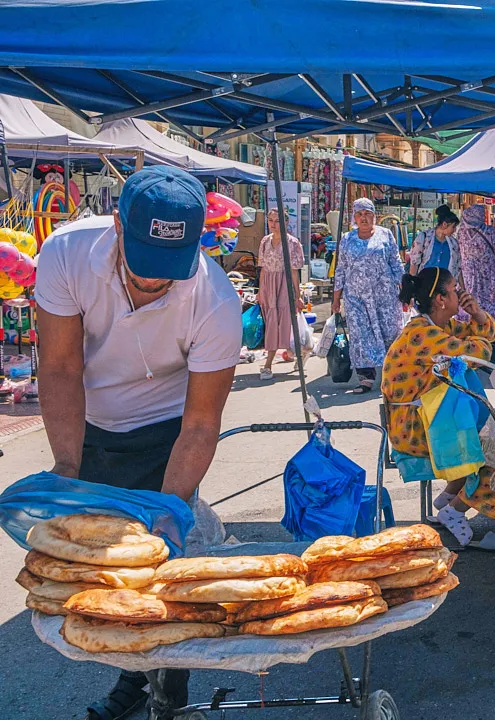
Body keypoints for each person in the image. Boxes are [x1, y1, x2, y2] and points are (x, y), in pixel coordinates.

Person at [35, 166, 242, 719]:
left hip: (167, 433)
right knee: (103, 571)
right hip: (88, 424)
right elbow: (59, 367)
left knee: (164, 571)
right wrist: (67, 466)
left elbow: (201, 424)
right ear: (117, 227)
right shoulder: (67, 253)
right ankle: (130, 674)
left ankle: (166, 695)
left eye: (168, 269)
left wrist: (169, 508)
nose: (153, 281)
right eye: (144, 262)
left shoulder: (215, 301)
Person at [382, 267, 495, 545]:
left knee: (485, 432)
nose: (461, 294)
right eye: (455, 289)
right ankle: (455, 509)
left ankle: (450, 495)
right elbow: (478, 353)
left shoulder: (438, 327)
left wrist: (477, 314)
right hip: (414, 428)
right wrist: (473, 337)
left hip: (426, 417)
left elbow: (488, 335)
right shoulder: (421, 335)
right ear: (441, 299)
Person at [332, 198, 405, 393]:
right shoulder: (347, 239)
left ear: (374, 215)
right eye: (359, 214)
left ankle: (393, 373)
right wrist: (336, 298)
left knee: (390, 332)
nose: (363, 218)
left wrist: (405, 290)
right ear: (354, 218)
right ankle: (366, 378)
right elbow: (341, 269)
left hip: (385, 297)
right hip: (356, 298)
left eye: (367, 214)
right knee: (360, 336)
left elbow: (395, 262)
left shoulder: (385, 234)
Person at [257, 207, 305, 380]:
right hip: (268, 285)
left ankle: (270, 363)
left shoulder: (292, 243)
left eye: (278, 221)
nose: (274, 224)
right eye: (271, 220)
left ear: (286, 222)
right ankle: (278, 359)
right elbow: (263, 269)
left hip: (284, 284)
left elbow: (294, 271)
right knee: (271, 321)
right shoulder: (265, 241)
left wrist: (298, 295)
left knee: (284, 322)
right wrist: (260, 290)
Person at [456, 203, 495, 338]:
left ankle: (470, 330)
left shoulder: (460, 232)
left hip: (468, 275)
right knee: (491, 302)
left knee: (470, 301)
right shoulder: (490, 232)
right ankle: (492, 331)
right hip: (488, 275)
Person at [408, 204, 460, 276]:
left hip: (445, 281)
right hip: (425, 279)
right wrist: (412, 280)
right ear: (444, 224)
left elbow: (457, 268)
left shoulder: (454, 244)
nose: (455, 230)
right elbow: (414, 263)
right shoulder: (424, 238)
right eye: (453, 227)